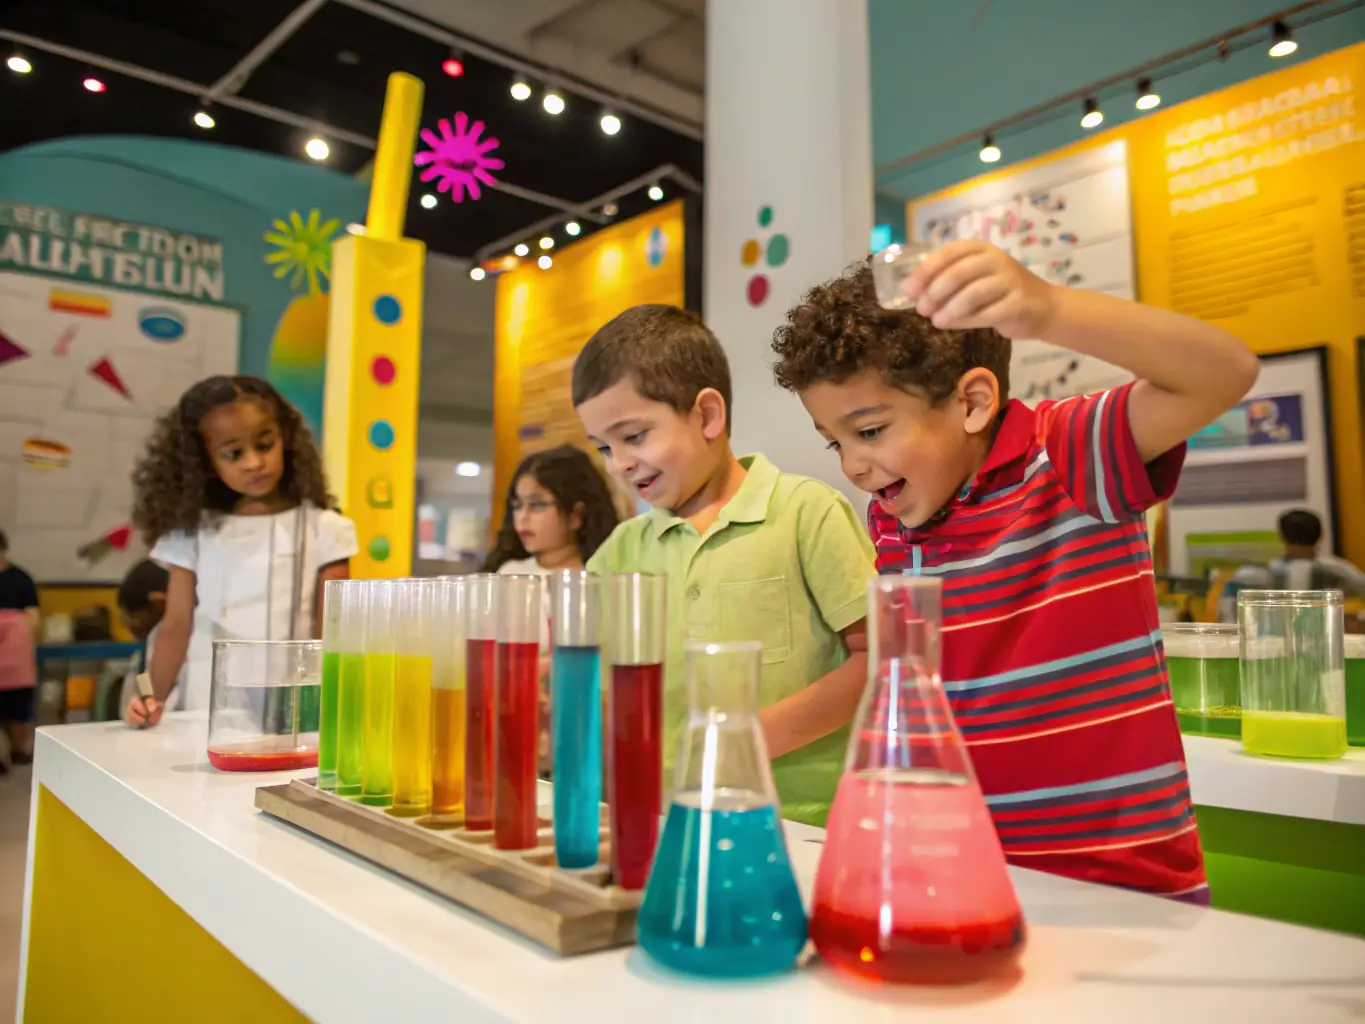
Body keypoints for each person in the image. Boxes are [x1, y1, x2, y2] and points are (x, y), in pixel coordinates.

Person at [770, 240, 1258, 902]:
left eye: (871, 431)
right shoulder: (892, 521)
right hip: (960, 875)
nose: (851, 465)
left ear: (972, 402)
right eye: (836, 442)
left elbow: (1222, 371)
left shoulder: (1069, 452)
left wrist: (1048, 308)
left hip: (1118, 885)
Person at [574, 304, 876, 826]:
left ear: (708, 415)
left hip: (803, 822)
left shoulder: (806, 512)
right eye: (603, 447)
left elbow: (879, 658)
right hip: (669, 817)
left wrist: (744, 740)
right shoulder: (618, 552)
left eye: (635, 436)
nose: (619, 463)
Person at [126, 375, 357, 727]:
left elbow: (334, 634)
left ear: (286, 440)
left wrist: (336, 709)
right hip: (201, 708)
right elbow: (175, 625)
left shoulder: (324, 530)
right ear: (205, 462)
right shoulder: (193, 534)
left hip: (291, 712)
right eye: (233, 453)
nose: (253, 463)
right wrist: (149, 698)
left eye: (264, 444)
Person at [484, 445, 620, 575]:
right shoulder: (510, 574)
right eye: (517, 505)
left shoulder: (601, 575)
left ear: (576, 515)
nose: (522, 517)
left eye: (537, 505)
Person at [1218, 509, 1365, 621]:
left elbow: (1228, 603)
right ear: (1320, 534)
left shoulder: (1260, 573)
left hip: (1271, 648)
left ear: (1282, 534)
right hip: (1323, 647)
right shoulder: (1337, 571)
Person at [113, 559, 186, 721]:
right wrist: (144, 703)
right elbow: (145, 681)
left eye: (133, 616)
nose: (129, 624)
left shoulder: (179, 633)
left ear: (159, 602)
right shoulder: (150, 642)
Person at [0, 530, 39, 771]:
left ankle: (18, 749)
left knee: (17, 705)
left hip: (15, 654)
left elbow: (33, 617)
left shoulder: (20, 579)